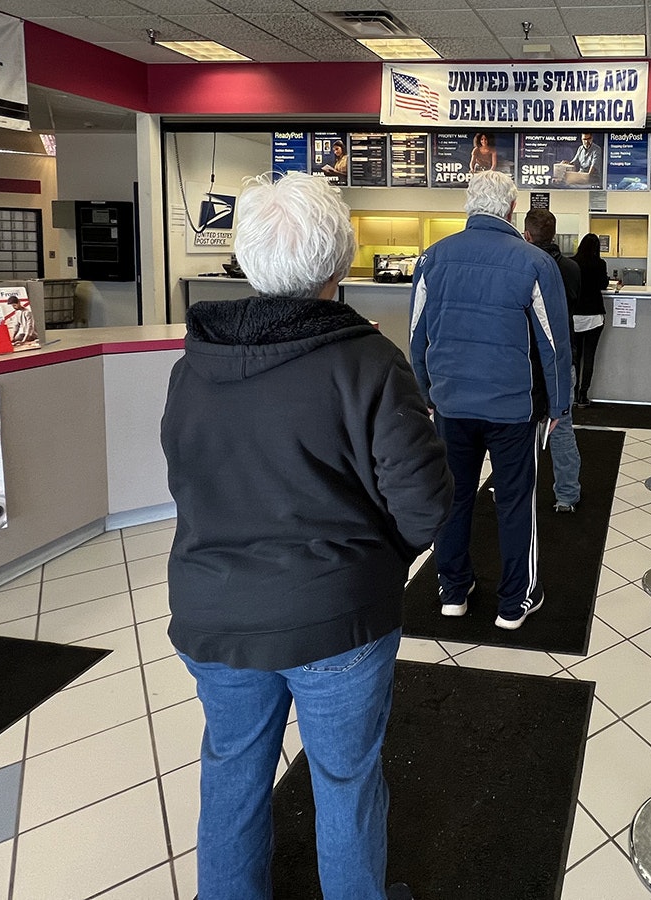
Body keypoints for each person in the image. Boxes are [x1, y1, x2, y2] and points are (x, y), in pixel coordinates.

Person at [161, 172, 452, 900]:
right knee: (346, 783)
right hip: (338, 621)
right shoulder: (369, 362)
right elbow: (424, 503)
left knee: (231, 773)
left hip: (215, 612)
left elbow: (188, 479)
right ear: (339, 260)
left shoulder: (192, 366)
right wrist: (376, 560)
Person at [409, 171, 571, 629]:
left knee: (453, 499)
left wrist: (426, 396)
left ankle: (453, 592)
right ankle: (513, 602)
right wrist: (559, 407)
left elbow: (417, 337)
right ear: (511, 210)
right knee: (516, 502)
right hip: (511, 410)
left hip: (451, 406)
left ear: (468, 207)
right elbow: (554, 344)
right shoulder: (534, 262)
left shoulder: (432, 259)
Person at [523, 208, 584, 514]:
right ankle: (567, 495)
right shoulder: (572, 268)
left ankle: (518, 491)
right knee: (562, 428)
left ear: (527, 235)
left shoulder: (523, 266)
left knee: (521, 430)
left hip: (529, 360)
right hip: (563, 357)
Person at [571, 233, 609, 407]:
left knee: (575, 357)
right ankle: (583, 395)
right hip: (594, 316)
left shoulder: (572, 263)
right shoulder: (600, 264)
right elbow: (603, 285)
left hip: (575, 316)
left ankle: (572, 392)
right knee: (589, 357)